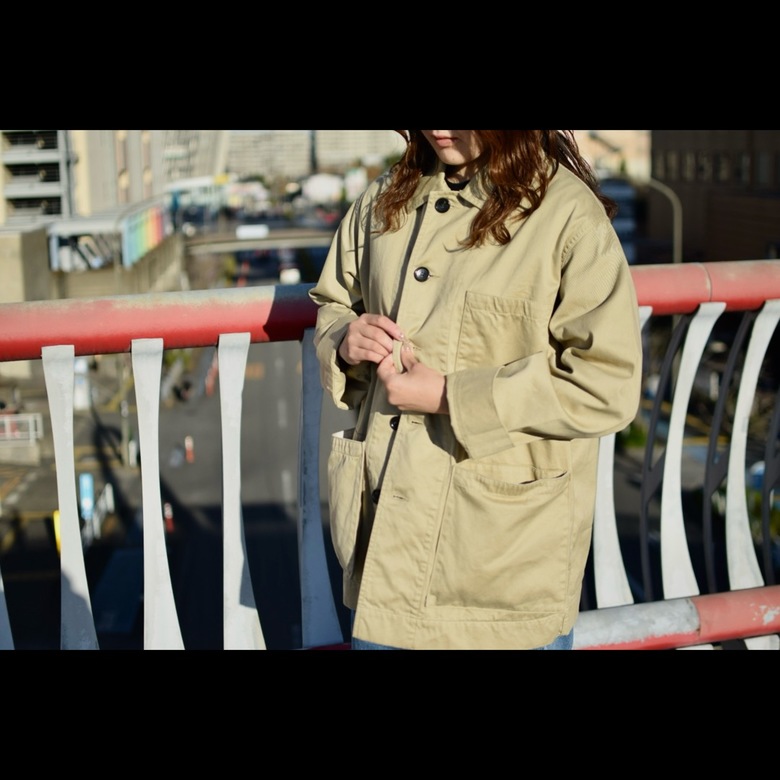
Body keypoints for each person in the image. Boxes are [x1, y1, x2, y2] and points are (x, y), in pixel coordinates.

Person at [309, 130, 643, 650]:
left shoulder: (566, 214)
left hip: (502, 571)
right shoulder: (386, 196)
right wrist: (344, 337)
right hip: (387, 557)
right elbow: (333, 300)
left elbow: (607, 383)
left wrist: (449, 396)